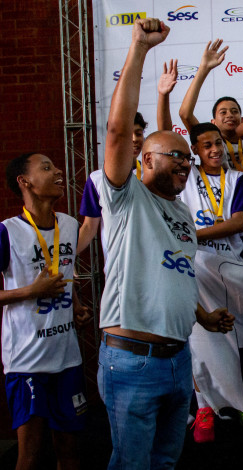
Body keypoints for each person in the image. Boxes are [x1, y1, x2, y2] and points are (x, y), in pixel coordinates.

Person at [97, 18, 234, 468]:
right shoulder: (125, 196)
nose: (186, 164)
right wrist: (139, 48)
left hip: (178, 360)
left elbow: (174, 271)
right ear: (145, 158)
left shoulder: (180, 212)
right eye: (176, 155)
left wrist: (203, 316)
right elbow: (118, 131)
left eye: (188, 159)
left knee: (165, 462)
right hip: (133, 361)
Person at [1, 152, 91, 470]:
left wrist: (77, 306)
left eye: (55, 165)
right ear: (25, 182)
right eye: (47, 167)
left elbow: (62, 275)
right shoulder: (8, 232)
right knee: (30, 455)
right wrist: (30, 291)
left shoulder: (67, 224)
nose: (58, 170)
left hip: (66, 358)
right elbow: (34, 286)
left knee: (70, 452)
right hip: (27, 362)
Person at [178, 121, 243, 442]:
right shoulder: (184, 179)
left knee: (234, 337)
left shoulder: (238, 179)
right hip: (193, 269)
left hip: (231, 269)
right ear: (194, 150)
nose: (214, 150)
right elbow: (182, 117)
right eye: (206, 145)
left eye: (218, 144)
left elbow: (237, 224)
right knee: (198, 340)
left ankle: (242, 404)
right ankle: (204, 407)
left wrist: (192, 235)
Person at [179, 39, 243, 261]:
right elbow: (185, 114)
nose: (230, 115)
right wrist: (204, 70)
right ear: (213, 121)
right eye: (223, 112)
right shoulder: (210, 145)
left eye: (235, 111)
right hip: (226, 232)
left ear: (242, 116)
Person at [76, 111, 149, 256]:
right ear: (113, 137)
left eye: (139, 133)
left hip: (155, 258)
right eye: (128, 133)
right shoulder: (97, 179)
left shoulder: (153, 174)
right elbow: (89, 227)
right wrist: (70, 257)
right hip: (119, 263)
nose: (135, 139)